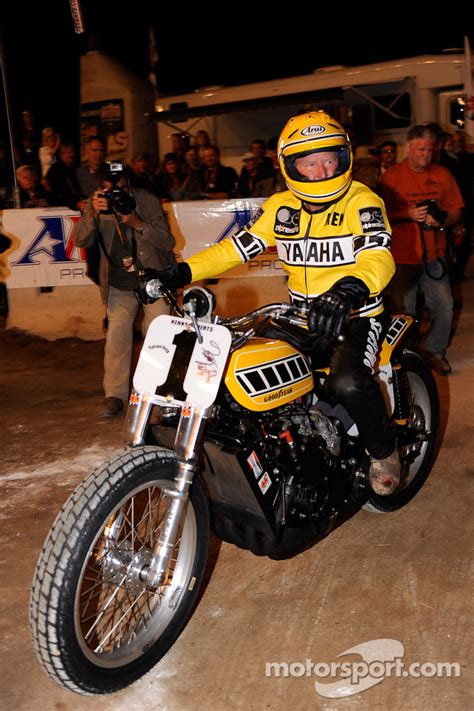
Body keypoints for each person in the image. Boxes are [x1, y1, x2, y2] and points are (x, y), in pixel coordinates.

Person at [157, 111, 400, 496]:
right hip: (299, 316)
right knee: (240, 366)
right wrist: (182, 272)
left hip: (355, 316)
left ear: (343, 157)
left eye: (329, 159)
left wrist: (352, 288)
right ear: (291, 165)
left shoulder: (362, 201)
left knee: (348, 383)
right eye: (309, 161)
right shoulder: (281, 207)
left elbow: (378, 255)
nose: (321, 170)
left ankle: (384, 450)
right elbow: (237, 249)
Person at [72, 163, 176, 418]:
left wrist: (137, 222)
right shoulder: (96, 201)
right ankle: (114, 395)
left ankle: (160, 394)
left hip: (152, 278)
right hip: (118, 282)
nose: (113, 190)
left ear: (127, 181)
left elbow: (168, 241)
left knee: (158, 336)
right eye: (107, 183)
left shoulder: (146, 199)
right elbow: (80, 241)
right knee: (116, 337)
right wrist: (92, 214)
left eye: (117, 184)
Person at [379, 125, 464, 376]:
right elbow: (378, 217)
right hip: (402, 258)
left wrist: (443, 220)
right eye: (420, 149)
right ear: (409, 148)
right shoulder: (391, 178)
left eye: (430, 149)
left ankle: (434, 352)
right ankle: (406, 358)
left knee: (445, 307)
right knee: (405, 314)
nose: (426, 155)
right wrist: (408, 214)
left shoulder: (443, 174)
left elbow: (456, 210)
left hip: (434, 256)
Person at [45, 143, 82, 210]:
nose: (72, 155)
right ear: (61, 155)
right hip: (60, 206)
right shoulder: (55, 169)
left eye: (73, 152)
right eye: (69, 152)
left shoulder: (76, 168)